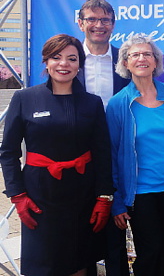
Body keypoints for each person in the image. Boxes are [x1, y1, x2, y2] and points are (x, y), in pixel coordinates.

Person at [0, 34, 114, 275]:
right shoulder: (24, 98)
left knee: (79, 262)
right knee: (43, 264)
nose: (64, 64)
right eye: (56, 57)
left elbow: (102, 152)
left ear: (79, 65)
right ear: (46, 62)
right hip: (39, 197)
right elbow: (8, 152)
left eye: (72, 59)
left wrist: (104, 197)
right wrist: (17, 195)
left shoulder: (92, 103)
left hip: (82, 195)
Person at [106, 33, 164, 276]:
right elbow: (112, 154)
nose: (142, 58)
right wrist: (117, 202)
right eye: (134, 55)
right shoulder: (119, 103)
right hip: (140, 194)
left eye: (147, 54)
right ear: (125, 63)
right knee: (151, 253)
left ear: (156, 61)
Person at [77, 0, 130, 276]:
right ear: (81, 22)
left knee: (114, 236)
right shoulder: (68, 60)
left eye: (105, 20)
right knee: (81, 234)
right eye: (92, 19)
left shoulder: (126, 62)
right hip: (79, 158)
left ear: (113, 24)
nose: (99, 25)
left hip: (117, 156)